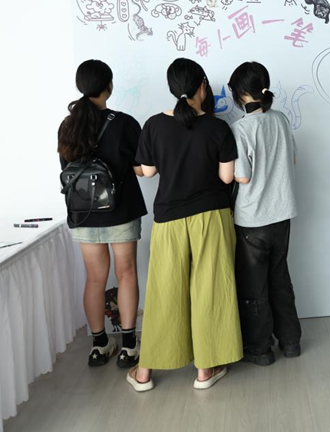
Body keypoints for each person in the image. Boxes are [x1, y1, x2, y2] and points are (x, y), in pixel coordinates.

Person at [127, 58, 242, 392]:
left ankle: (144, 373)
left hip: (169, 221)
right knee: (211, 288)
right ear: (202, 87)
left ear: (172, 89)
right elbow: (227, 177)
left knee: (164, 292)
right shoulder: (218, 128)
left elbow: (148, 171)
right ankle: (205, 370)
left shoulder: (153, 125)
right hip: (212, 216)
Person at [57, 59, 147, 368]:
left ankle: (99, 345)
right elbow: (140, 168)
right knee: (127, 273)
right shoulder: (123, 123)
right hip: (120, 210)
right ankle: (129, 347)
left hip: (83, 213)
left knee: (95, 278)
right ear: (108, 86)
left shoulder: (67, 126)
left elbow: (66, 170)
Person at [228, 62, 302, 366]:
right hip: (282, 214)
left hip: (253, 219)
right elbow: (292, 160)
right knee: (280, 279)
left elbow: (242, 177)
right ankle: (291, 341)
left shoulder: (241, 128)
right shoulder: (281, 119)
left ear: (240, 94)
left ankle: (260, 349)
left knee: (254, 287)